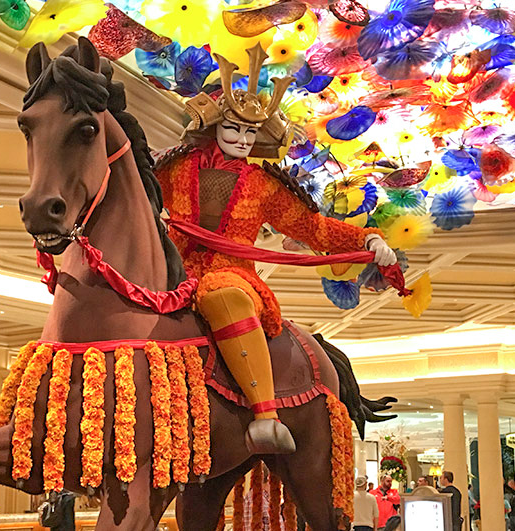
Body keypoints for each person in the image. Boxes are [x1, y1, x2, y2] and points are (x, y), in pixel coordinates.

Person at [155, 44, 396, 455]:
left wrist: (366, 238)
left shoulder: (265, 184)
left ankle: (265, 416)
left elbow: (312, 227)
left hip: (231, 274)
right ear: (212, 126)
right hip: (169, 270)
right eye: (234, 128)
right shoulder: (172, 167)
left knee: (222, 294)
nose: (243, 139)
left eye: (252, 132)